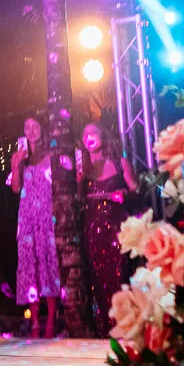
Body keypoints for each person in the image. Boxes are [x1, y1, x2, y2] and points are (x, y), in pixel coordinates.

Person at [79, 123, 138, 335]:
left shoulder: (119, 162)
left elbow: (136, 189)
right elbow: (75, 199)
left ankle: (125, 327)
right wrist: (77, 179)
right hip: (93, 229)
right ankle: (106, 329)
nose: (88, 137)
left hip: (116, 227)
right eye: (85, 134)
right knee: (98, 278)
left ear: (103, 136)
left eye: (93, 132)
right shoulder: (83, 167)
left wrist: (124, 193)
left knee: (118, 274)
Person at [9, 115, 60, 338]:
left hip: (47, 216)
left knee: (49, 262)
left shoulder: (52, 156)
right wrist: (15, 164)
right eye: (26, 127)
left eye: (35, 126)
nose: (31, 131)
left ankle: (50, 319)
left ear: (43, 129)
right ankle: (34, 322)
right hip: (27, 217)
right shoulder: (20, 157)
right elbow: (15, 189)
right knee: (30, 265)